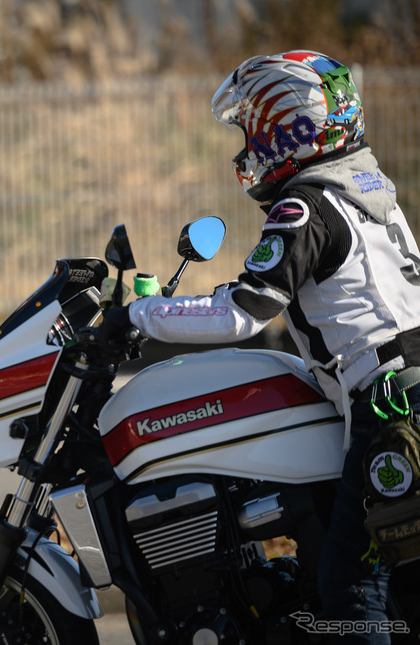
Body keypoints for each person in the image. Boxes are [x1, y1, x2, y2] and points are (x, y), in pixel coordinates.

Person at [99, 51, 420, 644]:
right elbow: (272, 288)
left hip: (391, 411)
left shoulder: (306, 207)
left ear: (288, 126)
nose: (247, 143)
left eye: (252, 125)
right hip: (402, 393)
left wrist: (138, 315)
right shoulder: (367, 191)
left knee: (352, 591)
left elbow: (242, 315)